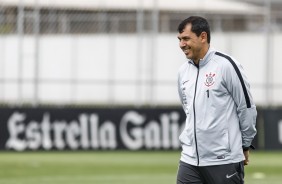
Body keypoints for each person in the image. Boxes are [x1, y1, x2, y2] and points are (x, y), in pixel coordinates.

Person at [176, 16, 257, 184]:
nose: (181, 44)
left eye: (186, 39)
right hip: (189, 160)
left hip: (223, 160)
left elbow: (246, 107)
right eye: (179, 39)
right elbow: (188, 109)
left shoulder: (226, 65)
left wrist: (245, 145)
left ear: (203, 37)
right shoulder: (183, 72)